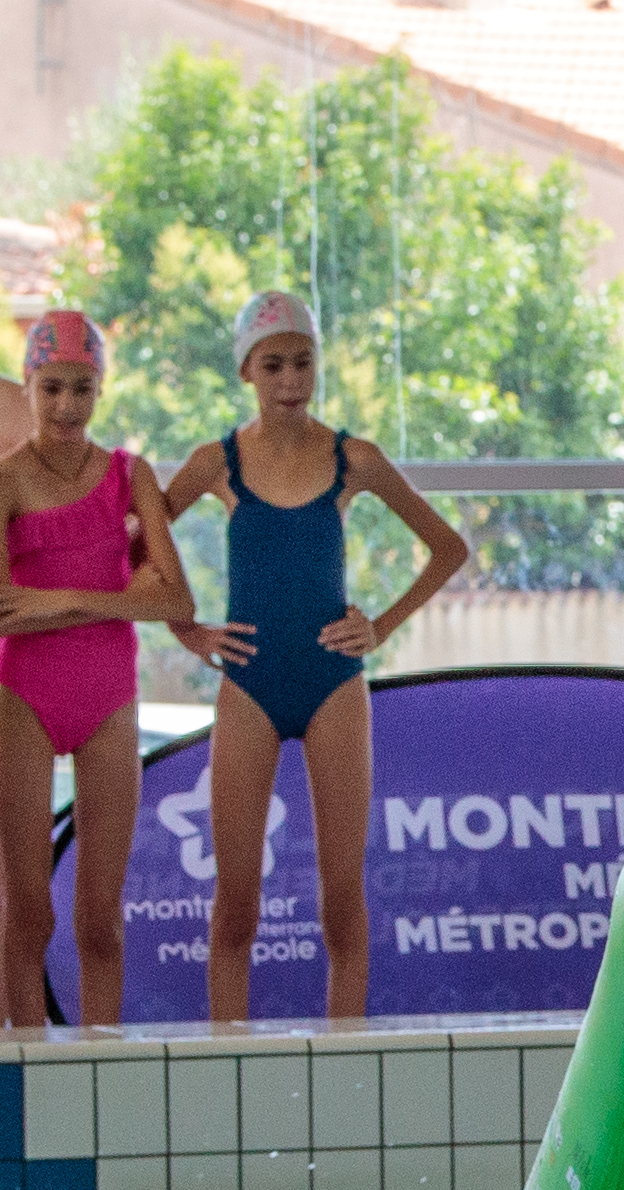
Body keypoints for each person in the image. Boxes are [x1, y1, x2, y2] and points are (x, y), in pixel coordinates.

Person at [160, 291, 470, 1025]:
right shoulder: (217, 464)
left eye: (303, 362)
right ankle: (225, 1058)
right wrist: (190, 631)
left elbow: (448, 547)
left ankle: (345, 1061)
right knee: (236, 901)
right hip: (250, 684)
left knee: (341, 897)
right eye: (274, 365)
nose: (291, 379)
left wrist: (382, 624)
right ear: (246, 370)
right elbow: (139, 549)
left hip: (334, 684)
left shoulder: (352, 458)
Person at [1, 312, 193, 1032]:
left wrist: (62, 597)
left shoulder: (128, 475)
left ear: (101, 389)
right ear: (27, 385)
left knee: (100, 918)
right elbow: (2, 614)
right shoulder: (7, 481)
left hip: (109, 697)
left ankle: (100, 1066)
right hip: (22, 695)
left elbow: (177, 598)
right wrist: (119, 601)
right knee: (27, 913)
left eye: (82, 389)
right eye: (51, 388)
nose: (65, 407)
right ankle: (23, 1069)